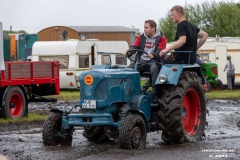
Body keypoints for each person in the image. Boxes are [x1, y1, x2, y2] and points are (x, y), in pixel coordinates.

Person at [126, 20, 167, 103]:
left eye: (146, 28)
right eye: (144, 28)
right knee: (128, 70)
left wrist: (153, 55)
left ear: (153, 28)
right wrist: (129, 52)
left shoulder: (161, 38)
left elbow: (160, 51)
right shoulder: (141, 37)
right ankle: (130, 93)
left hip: (155, 61)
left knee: (154, 68)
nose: (144, 29)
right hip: (142, 61)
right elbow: (134, 47)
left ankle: (156, 94)